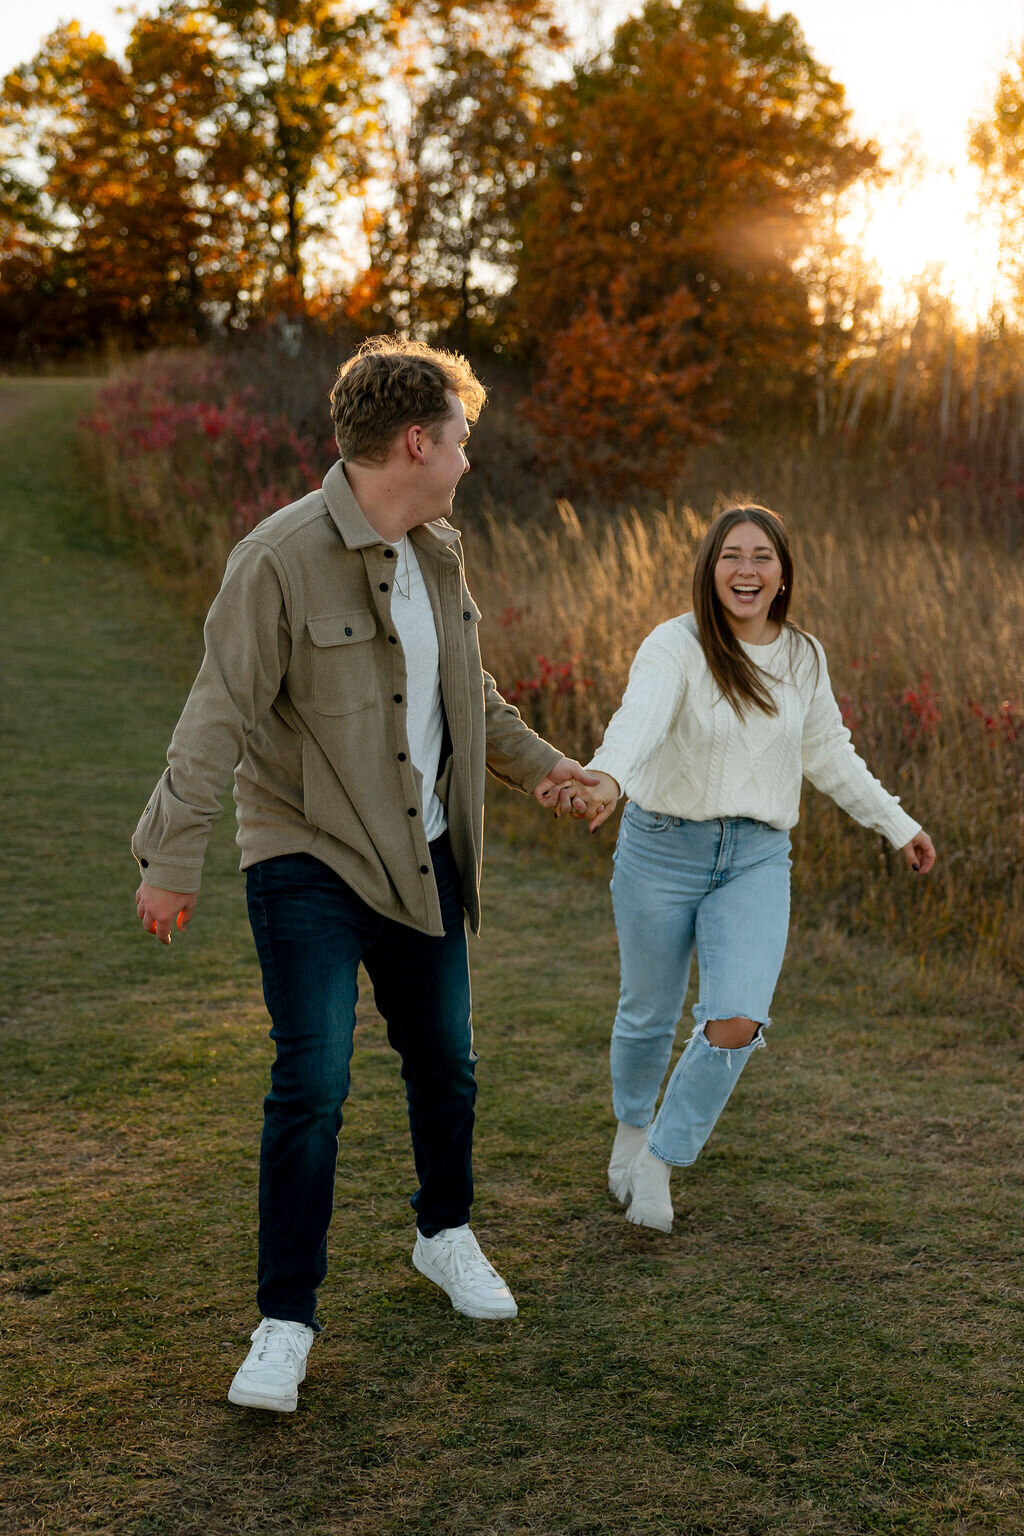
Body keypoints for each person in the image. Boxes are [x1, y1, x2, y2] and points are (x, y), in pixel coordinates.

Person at [132, 335, 596, 1413]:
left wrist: (550, 772)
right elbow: (216, 715)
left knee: (449, 1064)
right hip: (307, 853)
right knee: (314, 1083)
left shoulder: (439, 552)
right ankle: (284, 1322)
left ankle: (444, 1235)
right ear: (416, 440)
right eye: (463, 441)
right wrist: (170, 858)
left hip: (422, 851)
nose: (469, 462)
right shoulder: (276, 558)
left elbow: (468, 706)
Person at [570, 504, 936, 1234]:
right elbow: (637, 722)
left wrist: (897, 823)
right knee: (648, 1012)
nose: (746, 569)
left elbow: (829, 752)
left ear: (782, 573)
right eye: (731, 555)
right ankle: (632, 1129)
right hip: (661, 847)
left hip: (757, 858)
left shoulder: (803, 656)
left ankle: (660, 1160)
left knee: (736, 1019)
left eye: (761, 556)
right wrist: (606, 778)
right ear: (711, 569)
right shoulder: (674, 645)